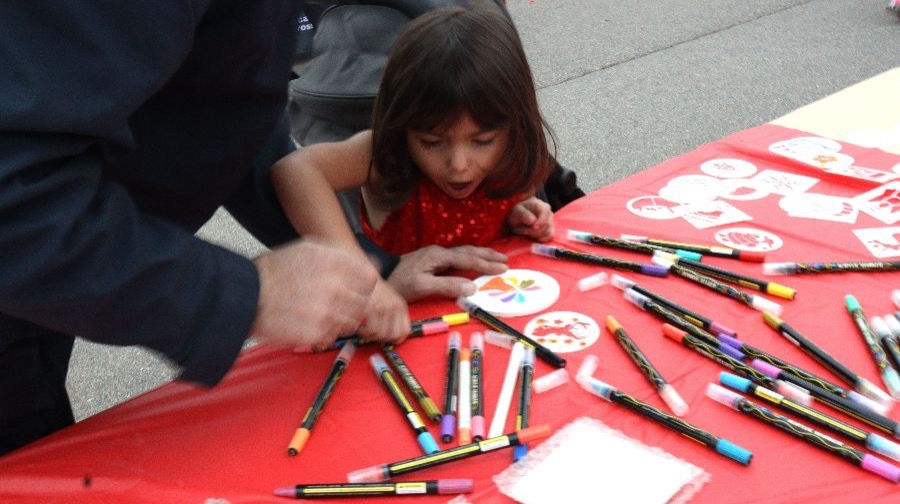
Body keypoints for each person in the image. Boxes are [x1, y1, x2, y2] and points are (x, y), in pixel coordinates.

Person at [0, 1, 506, 455]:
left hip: (45, 291)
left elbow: (227, 113)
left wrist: (366, 270)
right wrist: (244, 295)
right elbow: (18, 208)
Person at [273, 6, 558, 313]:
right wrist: (364, 278)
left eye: (482, 141)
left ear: (515, 123)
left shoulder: (511, 148)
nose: (459, 164)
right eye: (431, 142)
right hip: (402, 328)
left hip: (502, 312)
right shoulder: (387, 154)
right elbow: (296, 170)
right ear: (403, 127)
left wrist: (522, 212)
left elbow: (516, 202)